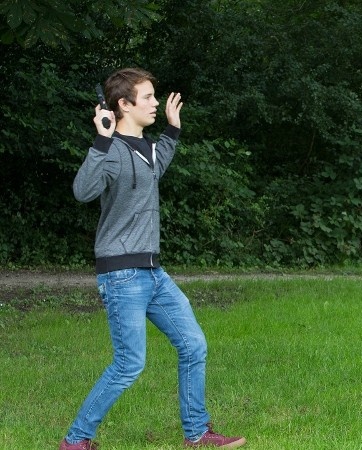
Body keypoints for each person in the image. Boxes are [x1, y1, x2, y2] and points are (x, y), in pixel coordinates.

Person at [61, 68, 246, 450]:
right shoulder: (111, 151)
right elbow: (82, 190)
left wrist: (172, 130)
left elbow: (155, 168)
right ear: (124, 104)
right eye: (147, 97)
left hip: (152, 271)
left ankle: (197, 433)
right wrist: (101, 139)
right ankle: (75, 441)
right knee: (129, 363)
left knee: (193, 345)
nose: (155, 103)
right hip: (122, 274)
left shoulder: (144, 148)